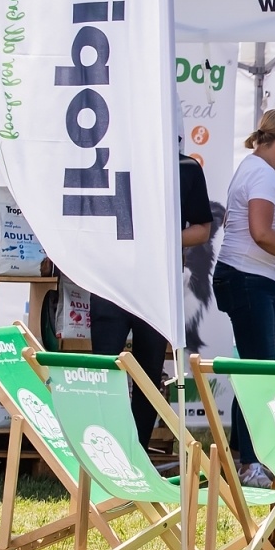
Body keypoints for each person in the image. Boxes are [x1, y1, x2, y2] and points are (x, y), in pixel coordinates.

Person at [214, 109, 275, 488]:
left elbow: (254, 227)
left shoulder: (252, 169)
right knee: (259, 374)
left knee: (256, 371)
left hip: (247, 277)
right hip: (247, 279)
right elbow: (258, 231)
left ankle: (248, 460)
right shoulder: (260, 173)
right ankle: (248, 464)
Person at [89, 155, 216, 448]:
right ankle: (102, 452)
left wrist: (162, 238)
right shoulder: (111, 155)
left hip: (157, 284)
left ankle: (139, 456)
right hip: (111, 281)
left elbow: (202, 229)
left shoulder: (185, 167)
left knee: (149, 373)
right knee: (103, 373)